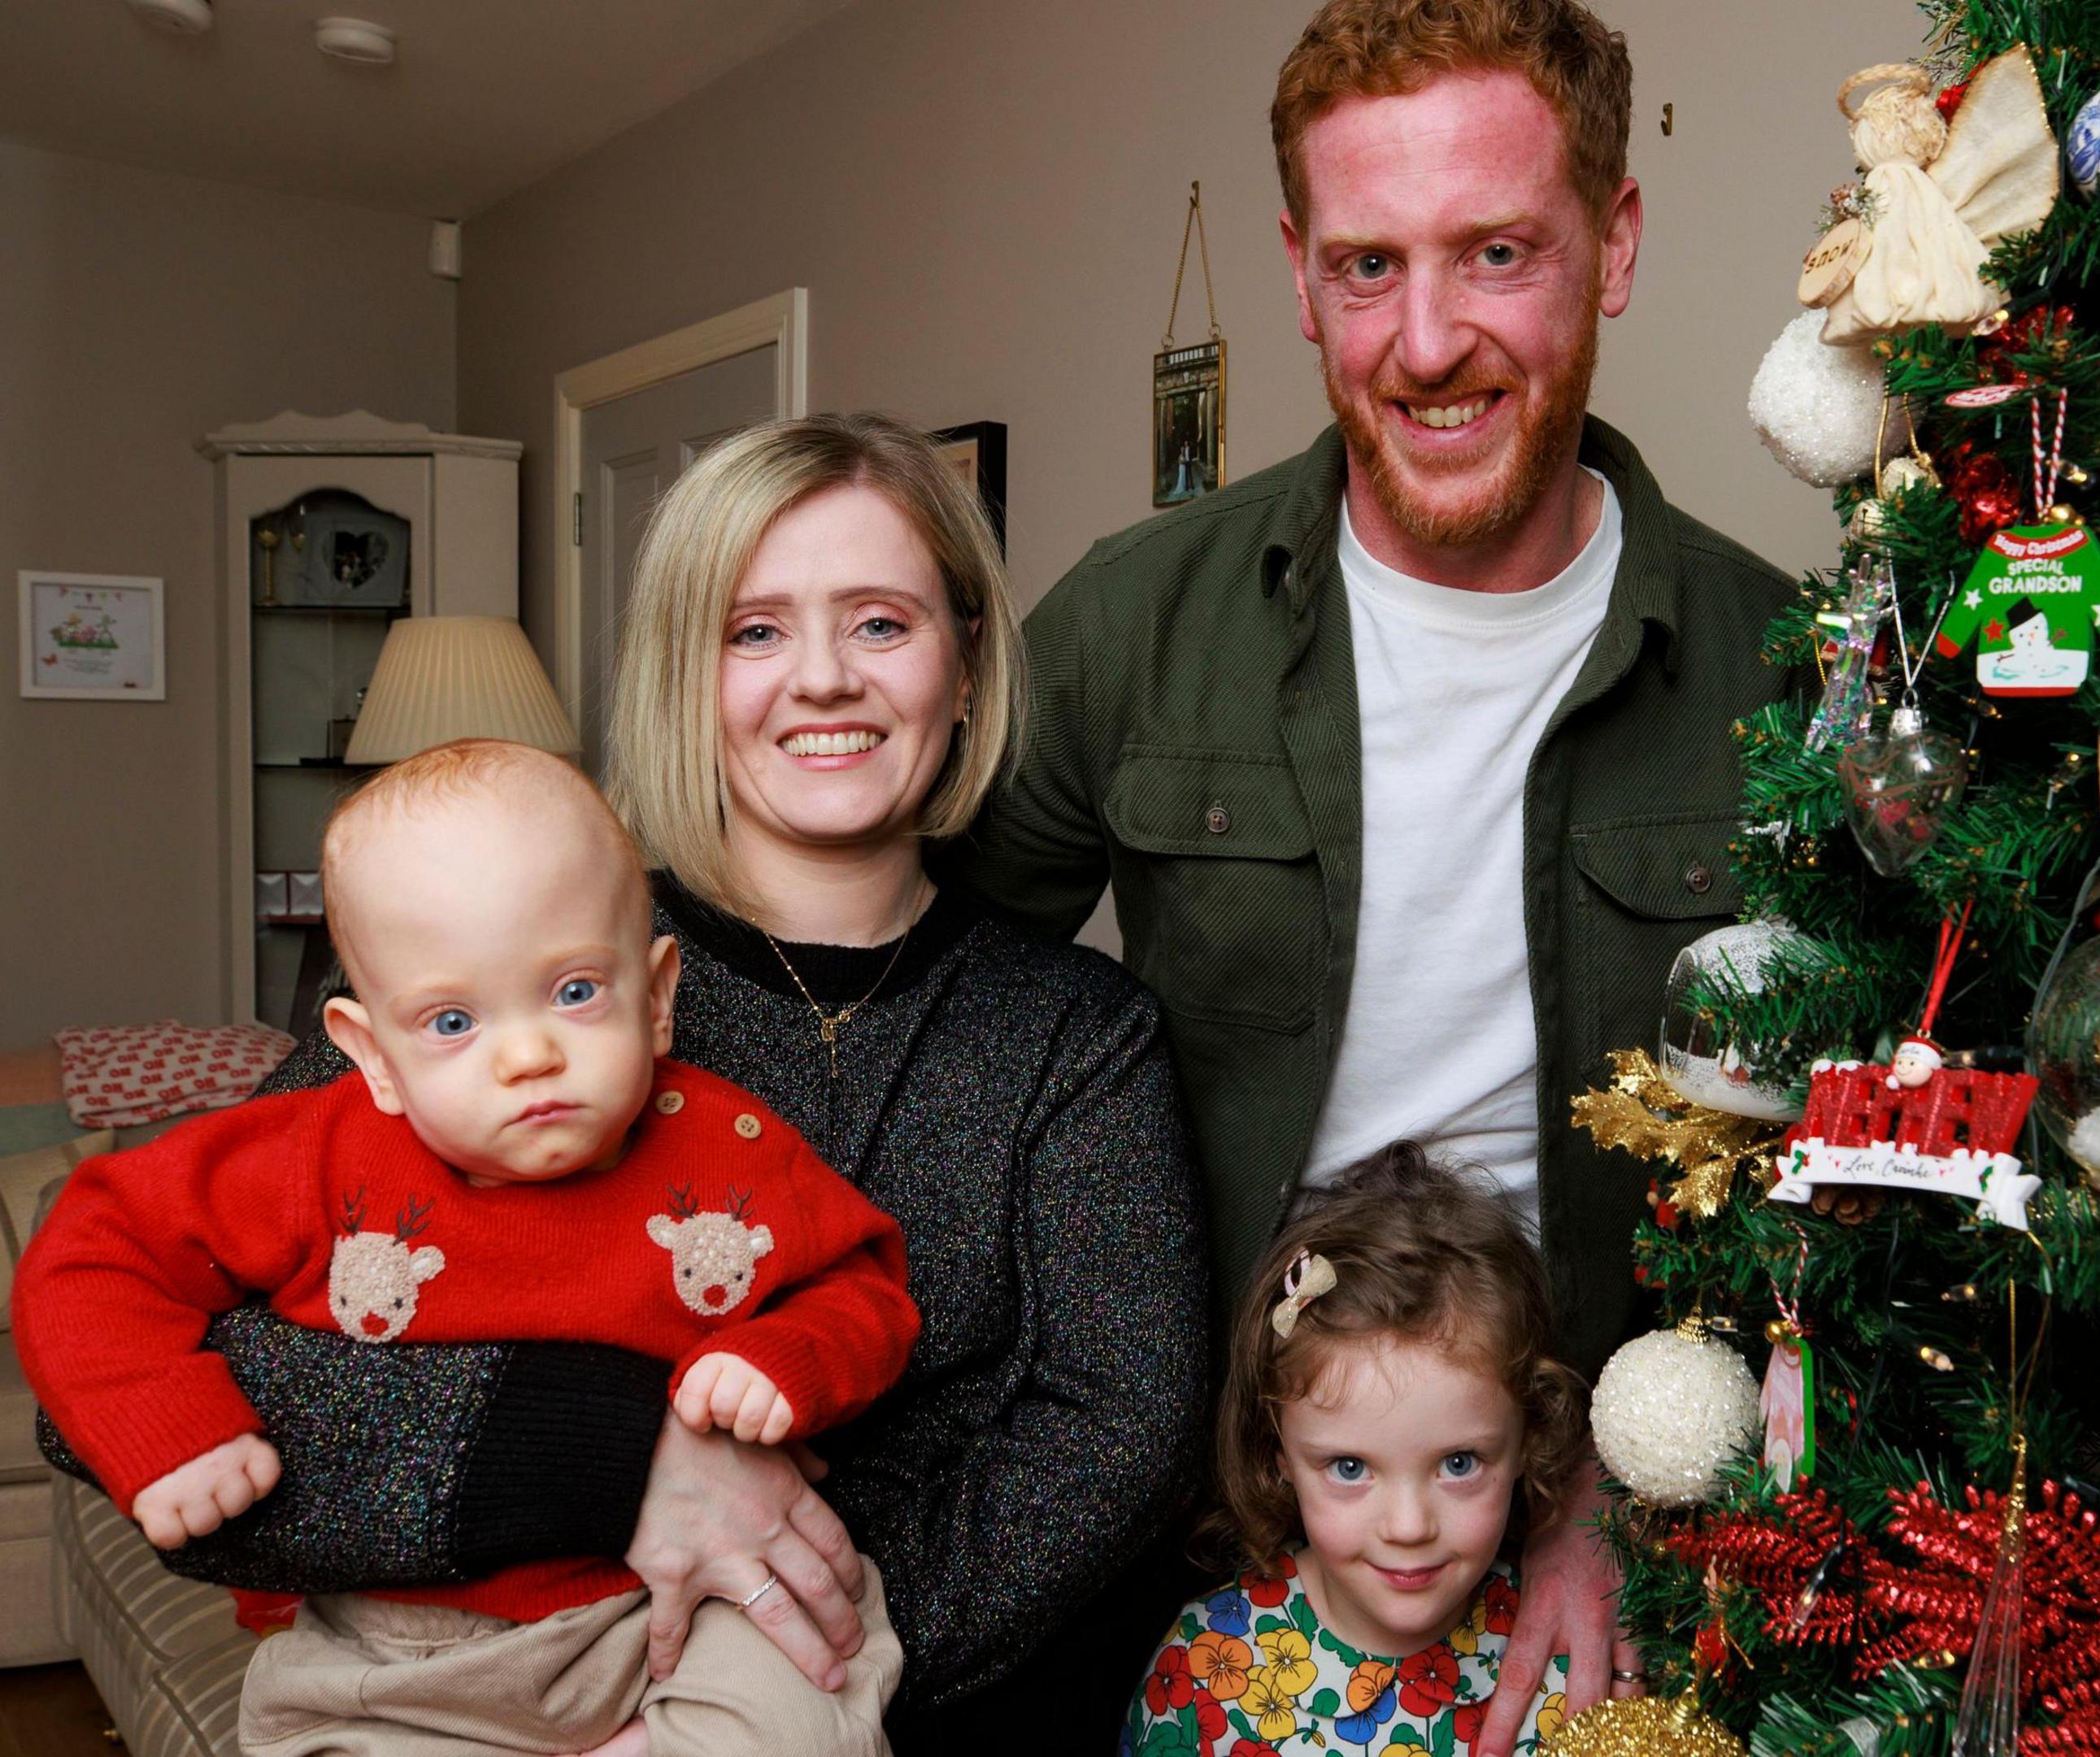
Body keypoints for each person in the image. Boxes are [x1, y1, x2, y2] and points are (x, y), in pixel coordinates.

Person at [127, 414, 1211, 1755]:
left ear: (969, 661)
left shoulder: (1076, 1032)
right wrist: (608, 1459)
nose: (822, 680)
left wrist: (767, 1669)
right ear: (683, 673)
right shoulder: (510, 971)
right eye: (753, 631)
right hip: (463, 1698)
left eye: (881, 623)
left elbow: (1115, 1441)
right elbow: (138, 1364)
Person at [964, 7, 1797, 1744]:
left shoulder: (1779, 671)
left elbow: (1845, 1177)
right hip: (1181, 1493)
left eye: (1498, 254)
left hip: (1581, 1504)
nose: (1427, 343)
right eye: (1366, 265)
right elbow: (932, 1007)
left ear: (1615, 244)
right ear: (1296, 273)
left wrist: (1613, 1507)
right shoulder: (1133, 625)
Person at [17, 740, 919, 1755]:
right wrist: (166, 1420)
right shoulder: (311, 1153)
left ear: (657, 994)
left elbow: (865, 1282)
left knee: (807, 1698)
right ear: (372, 1056)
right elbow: (96, 1245)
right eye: (452, 1019)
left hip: (677, 1612)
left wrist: (786, 1356)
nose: (529, 1053)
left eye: (576, 991)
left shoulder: (729, 1147)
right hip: (400, 1646)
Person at [1120, 1145, 1585, 1757]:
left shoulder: (1566, 1667)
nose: (1409, 1526)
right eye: (1350, 1467)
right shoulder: (1203, 1675)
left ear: (1529, 1438)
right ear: (1278, 1451)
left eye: (1459, 1462)